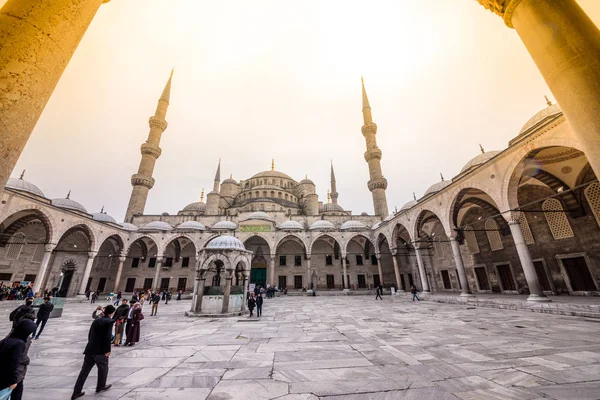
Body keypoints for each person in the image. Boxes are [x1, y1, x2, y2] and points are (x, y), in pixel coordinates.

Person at [71, 305, 115, 400]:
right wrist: (108, 350)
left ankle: (76, 392)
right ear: (112, 313)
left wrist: (91, 344)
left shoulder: (96, 320)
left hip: (90, 349)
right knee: (103, 369)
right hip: (101, 351)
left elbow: (90, 334)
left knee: (84, 371)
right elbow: (107, 337)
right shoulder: (110, 321)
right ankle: (100, 386)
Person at [0, 319, 36, 400]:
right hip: (9, 378)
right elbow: (14, 363)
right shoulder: (19, 343)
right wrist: (13, 381)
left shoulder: (6, 340)